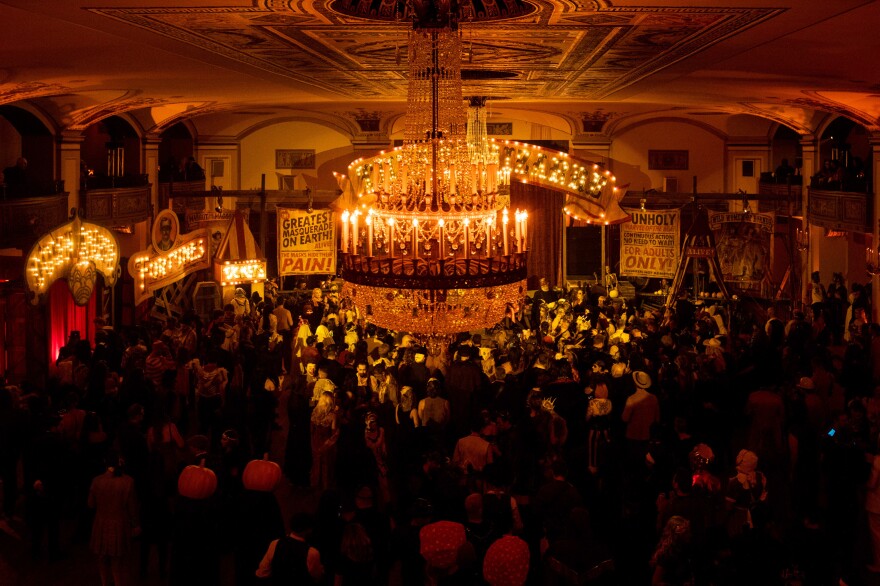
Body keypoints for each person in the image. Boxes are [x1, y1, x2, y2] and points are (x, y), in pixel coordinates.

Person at [89, 452, 140, 586]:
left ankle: (104, 583)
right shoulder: (128, 481)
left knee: (101, 558)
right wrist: (135, 524)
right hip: (119, 523)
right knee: (117, 561)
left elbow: (90, 504)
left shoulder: (96, 481)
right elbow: (132, 507)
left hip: (100, 523)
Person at [256, 512, 325, 583]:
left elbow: (262, 572)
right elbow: (317, 576)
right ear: (309, 530)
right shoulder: (312, 552)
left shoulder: (275, 543)